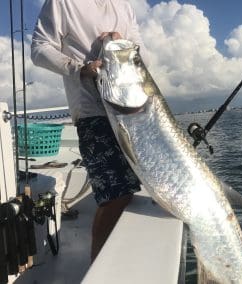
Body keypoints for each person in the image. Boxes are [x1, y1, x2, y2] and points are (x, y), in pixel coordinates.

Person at [31, 0, 148, 261]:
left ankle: (120, 259)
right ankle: (99, 267)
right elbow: (39, 48)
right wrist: (79, 69)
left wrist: (123, 46)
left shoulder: (124, 7)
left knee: (131, 189)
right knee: (115, 195)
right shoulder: (62, 3)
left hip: (130, 111)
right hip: (92, 112)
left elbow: (144, 55)